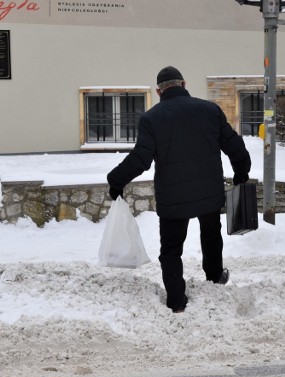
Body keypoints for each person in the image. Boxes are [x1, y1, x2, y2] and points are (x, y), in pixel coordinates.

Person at [107, 66, 251, 313]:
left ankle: (176, 300)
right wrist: (241, 172)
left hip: (173, 198)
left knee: (171, 249)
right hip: (209, 191)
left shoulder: (151, 119)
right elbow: (233, 144)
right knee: (211, 234)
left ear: (158, 91)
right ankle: (215, 277)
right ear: (183, 84)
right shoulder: (209, 110)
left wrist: (116, 179)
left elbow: (141, 159)